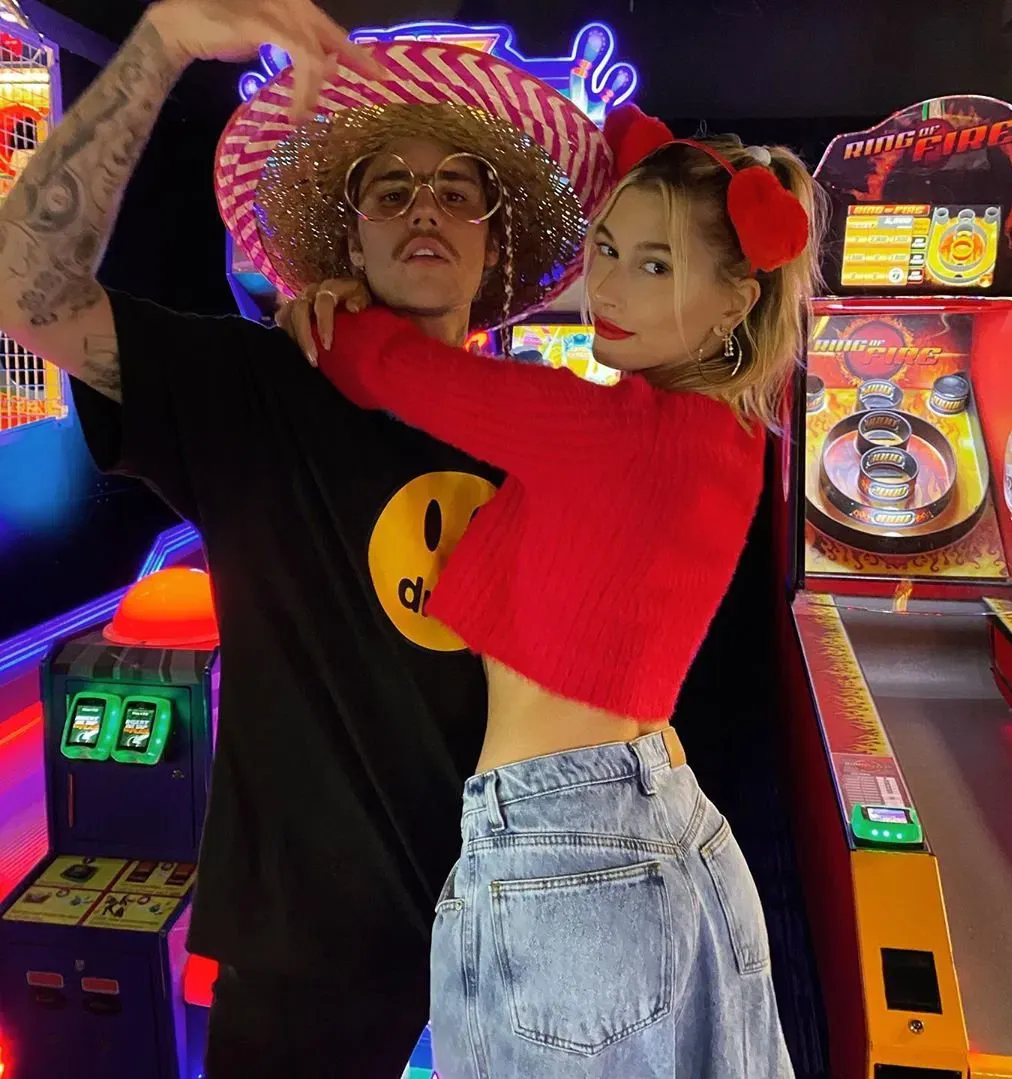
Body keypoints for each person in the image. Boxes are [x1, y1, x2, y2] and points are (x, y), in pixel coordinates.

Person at [0, 1, 611, 1075]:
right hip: (307, 956)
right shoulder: (261, 393)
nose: (425, 210)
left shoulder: (550, 430)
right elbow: (23, 287)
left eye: (458, 189)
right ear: (351, 235)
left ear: (494, 237)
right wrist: (165, 41)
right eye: (390, 189)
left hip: (515, 935)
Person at [284, 103, 821, 1077]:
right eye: (606, 248)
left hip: (560, 855)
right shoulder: (728, 433)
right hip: (675, 829)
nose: (605, 286)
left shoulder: (603, 432)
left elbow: (390, 369)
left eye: (655, 265)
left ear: (735, 300)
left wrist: (322, 308)